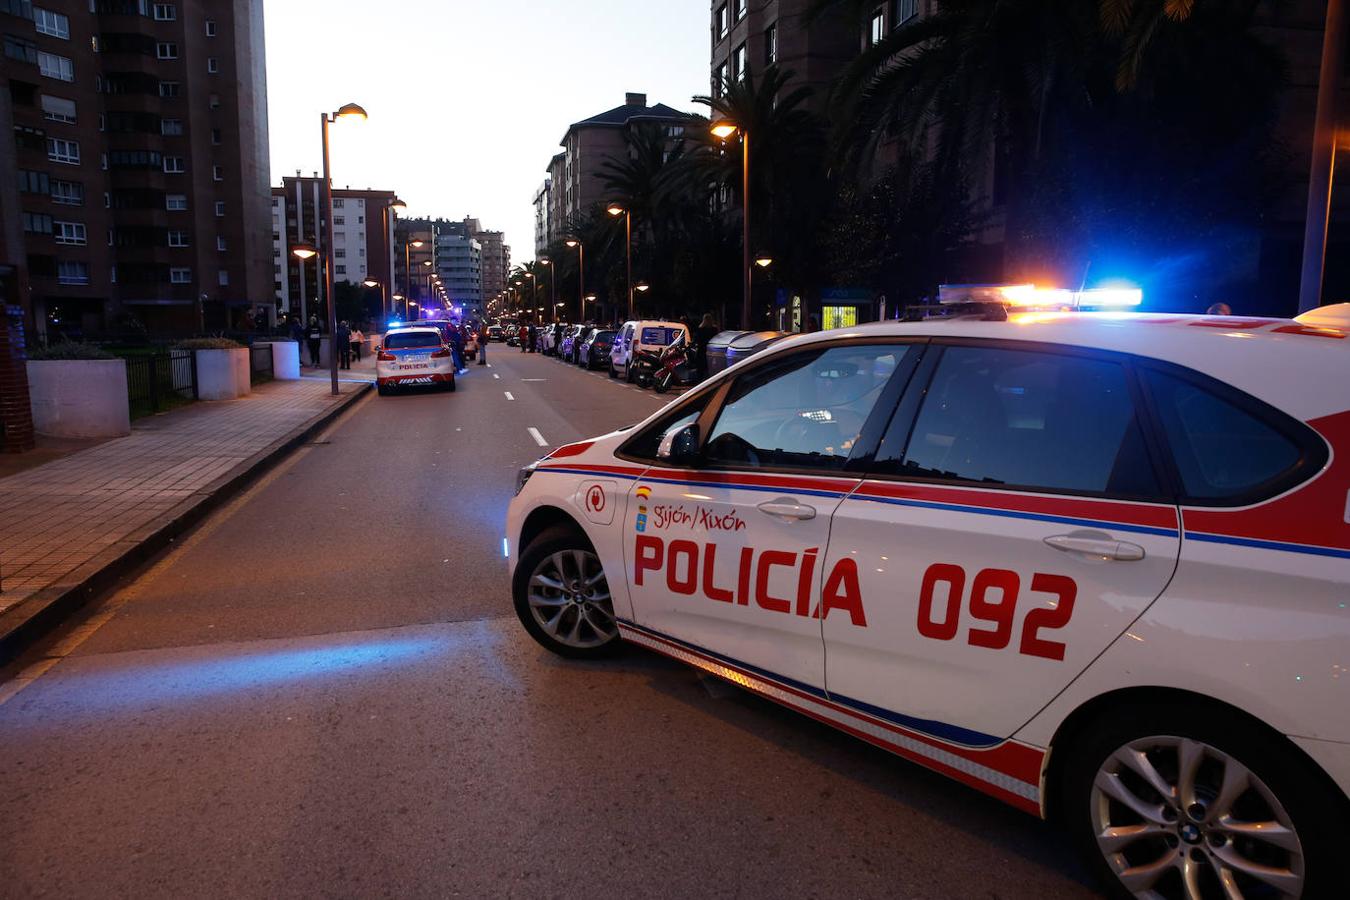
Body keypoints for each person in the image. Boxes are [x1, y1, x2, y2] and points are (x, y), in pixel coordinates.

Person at [694, 313, 720, 382]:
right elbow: (716, 339)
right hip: (711, 350)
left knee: (700, 369)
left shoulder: (700, 329)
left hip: (701, 351)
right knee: (709, 368)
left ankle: (700, 383)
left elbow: (697, 340)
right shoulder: (714, 329)